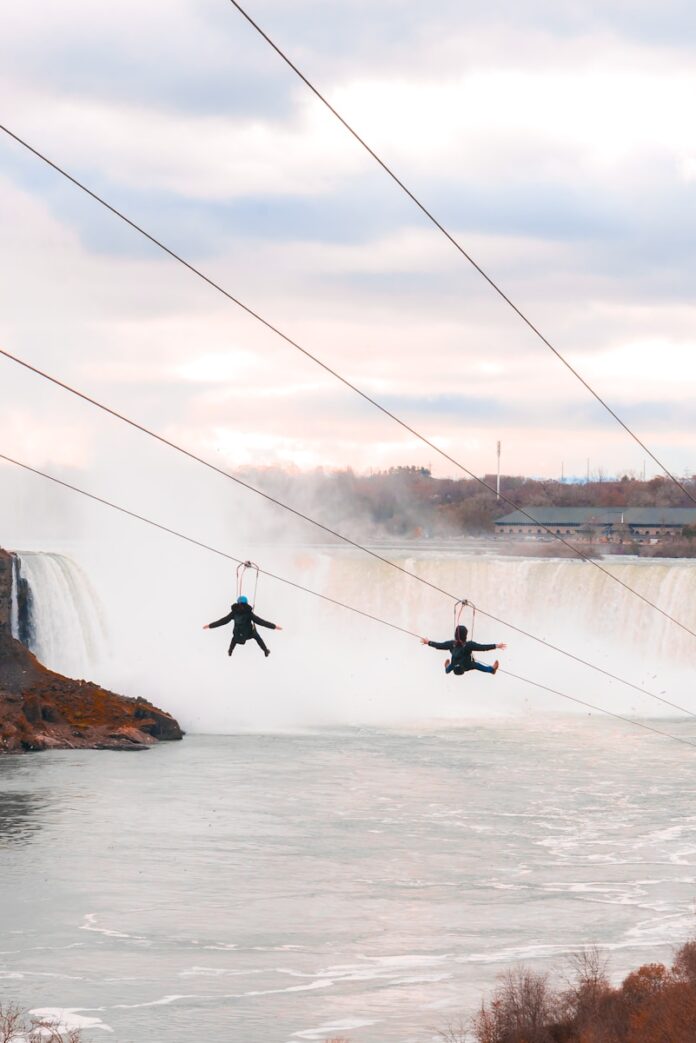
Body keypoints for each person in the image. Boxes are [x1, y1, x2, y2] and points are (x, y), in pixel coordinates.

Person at [203, 596, 282, 658]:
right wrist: (274, 626)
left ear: (238, 603)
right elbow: (261, 622)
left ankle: (230, 651)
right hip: (249, 634)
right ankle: (265, 650)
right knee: (257, 636)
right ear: (247, 603)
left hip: (238, 635)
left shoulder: (233, 613)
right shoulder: (249, 614)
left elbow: (223, 621)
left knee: (234, 638)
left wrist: (209, 626)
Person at [420, 625, 506, 676]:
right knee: (478, 666)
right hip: (468, 665)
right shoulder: (469, 645)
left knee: (449, 668)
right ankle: (492, 670)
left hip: (454, 665)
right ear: (465, 636)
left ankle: (447, 668)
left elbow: (439, 646)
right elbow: (482, 648)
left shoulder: (451, 644)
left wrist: (428, 642)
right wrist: (496, 646)